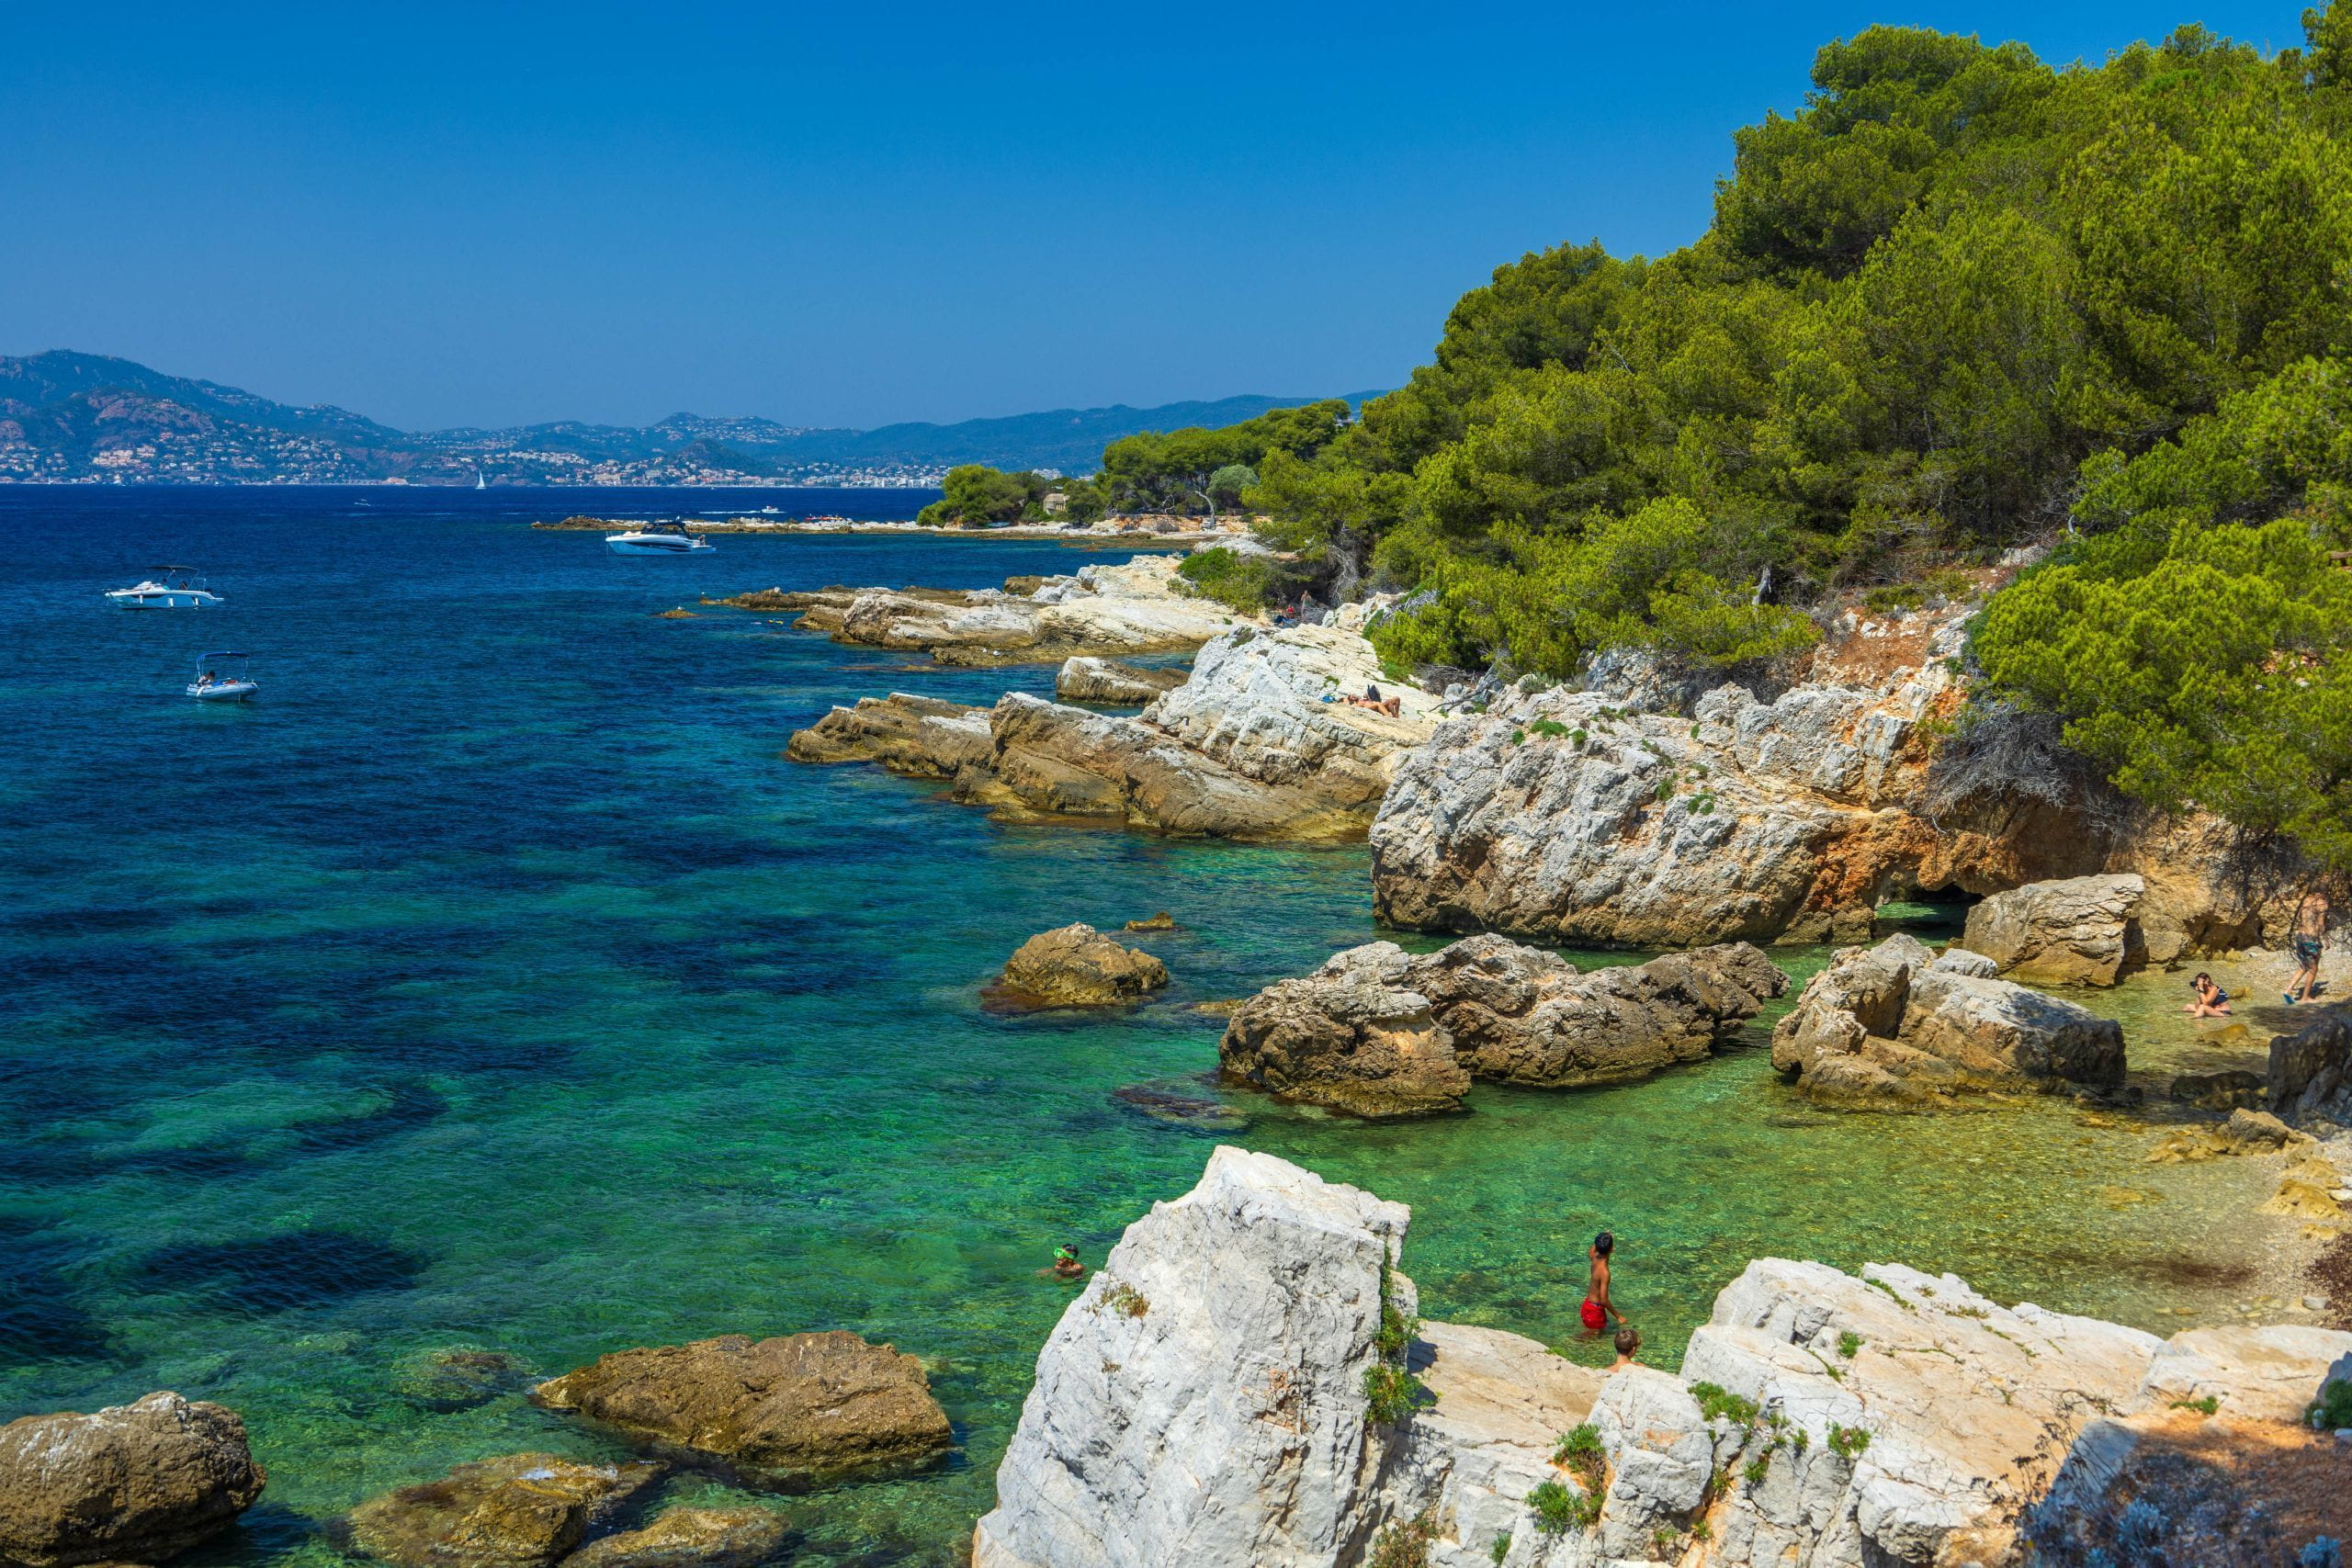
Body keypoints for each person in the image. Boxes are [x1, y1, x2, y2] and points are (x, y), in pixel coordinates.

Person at [2286, 891, 2330, 1005]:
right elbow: (2321, 924)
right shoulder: (2322, 903)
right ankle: (2305, 998)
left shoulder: (2306, 900)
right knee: (2313, 969)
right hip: (2311, 939)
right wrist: (2325, 939)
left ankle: (2288, 990)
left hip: (2300, 936)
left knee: (2304, 966)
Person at [1579, 1231, 1619, 1337]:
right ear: (1612, 1249)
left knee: (1590, 1334)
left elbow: (1593, 1248)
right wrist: (1618, 1316)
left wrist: (1603, 1236)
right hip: (1595, 1312)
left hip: (1587, 1306)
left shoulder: (1594, 1257)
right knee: (1592, 1339)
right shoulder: (1605, 1272)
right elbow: (1604, 1299)